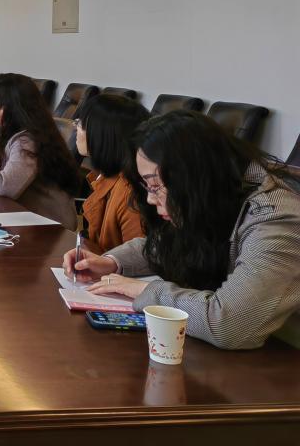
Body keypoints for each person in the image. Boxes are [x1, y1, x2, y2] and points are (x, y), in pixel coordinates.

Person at [63, 110, 300, 350]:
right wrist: (112, 262)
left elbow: (227, 323)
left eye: (156, 186)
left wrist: (145, 291)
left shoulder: (277, 218)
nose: (150, 199)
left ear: (193, 175)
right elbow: (165, 244)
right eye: (147, 186)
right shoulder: (217, 192)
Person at [0, 73, 81, 230]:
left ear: (4, 109)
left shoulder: (27, 141)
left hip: (51, 229)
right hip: (31, 220)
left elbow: (5, 185)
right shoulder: (28, 133)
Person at [76, 94, 149, 251]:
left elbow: (138, 256)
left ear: (101, 134)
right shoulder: (103, 177)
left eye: (80, 123)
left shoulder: (128, 192)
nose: (76, 127)